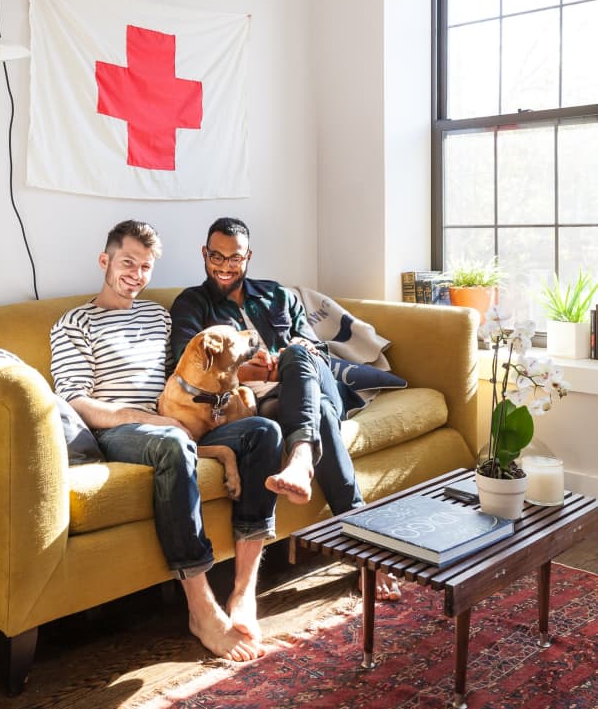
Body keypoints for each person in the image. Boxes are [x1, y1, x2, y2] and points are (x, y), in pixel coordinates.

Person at [50, 220, 284, 661]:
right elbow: (76, 401)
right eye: (127, 263)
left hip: (174, 422)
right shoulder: (74, 323)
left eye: (145, 266)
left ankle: (243, 591)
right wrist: (154, 421)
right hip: (118, 432)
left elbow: (193, 375)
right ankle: (200, 607)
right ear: (105, 261)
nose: (136, 274)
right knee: (174, 444)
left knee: (263, 432)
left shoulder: (159, 315)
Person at [170, 217, 401, 601]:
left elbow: (317, 348)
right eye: (216, 256)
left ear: (249, 257)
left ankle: (301, 453)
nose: (225, 266)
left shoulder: (278, 295)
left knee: (297, 353)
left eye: (235, 258)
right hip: (263, 405)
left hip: (308, 381)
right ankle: (364, 549)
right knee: (322, 416)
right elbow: (186, 362)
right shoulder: (192, 305)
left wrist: (294, 355)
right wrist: (242, 369)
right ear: (204, 253)